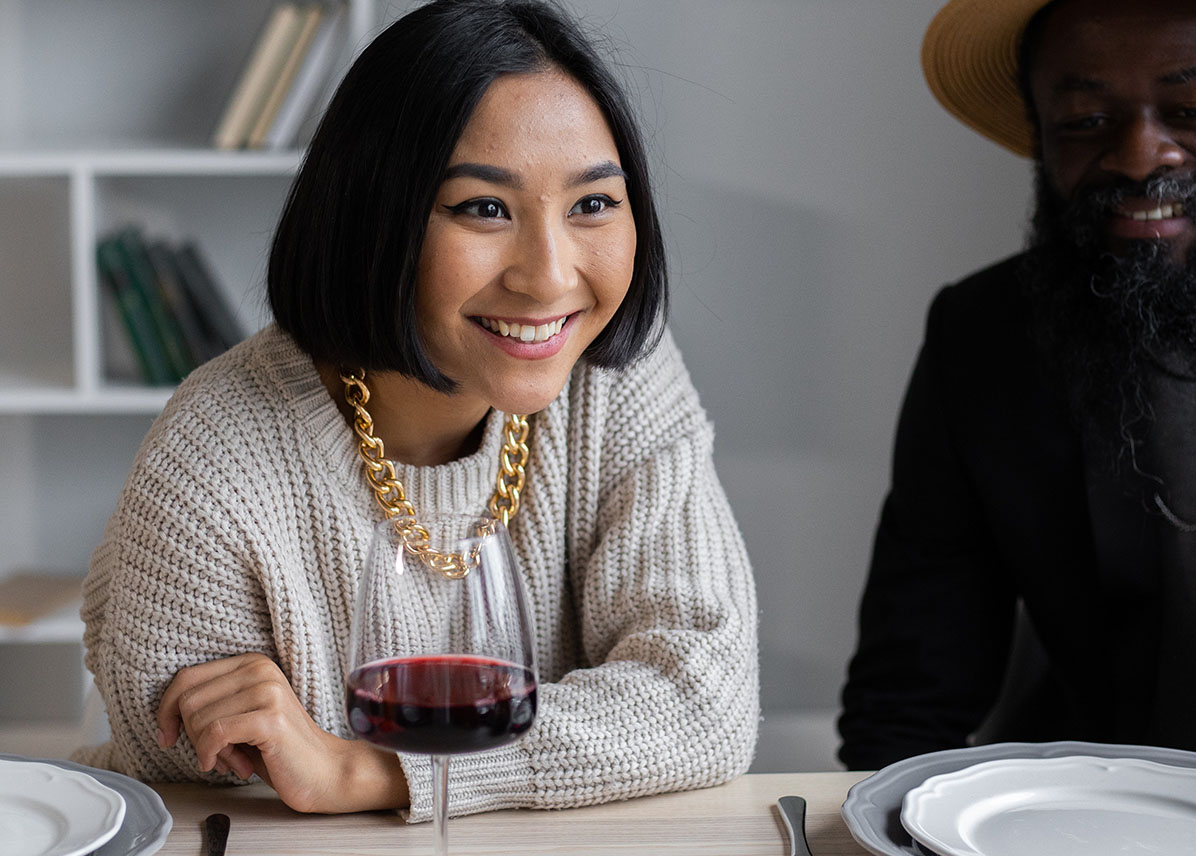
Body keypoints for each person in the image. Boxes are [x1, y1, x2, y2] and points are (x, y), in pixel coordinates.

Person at [74, 0, 758, 820]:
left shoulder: (617, 381)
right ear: (374, 218)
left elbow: (705, 698)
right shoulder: (217, 453)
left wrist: (374, 772)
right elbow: (195, 771)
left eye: (592, 205)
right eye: (484, 208)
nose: (548, 277)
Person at [839, 0, 1196, 770]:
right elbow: (909, 696)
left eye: (1191, 108)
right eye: (1084, 120)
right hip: (1068, 818)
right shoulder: (984, 338)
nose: (1140, 156)